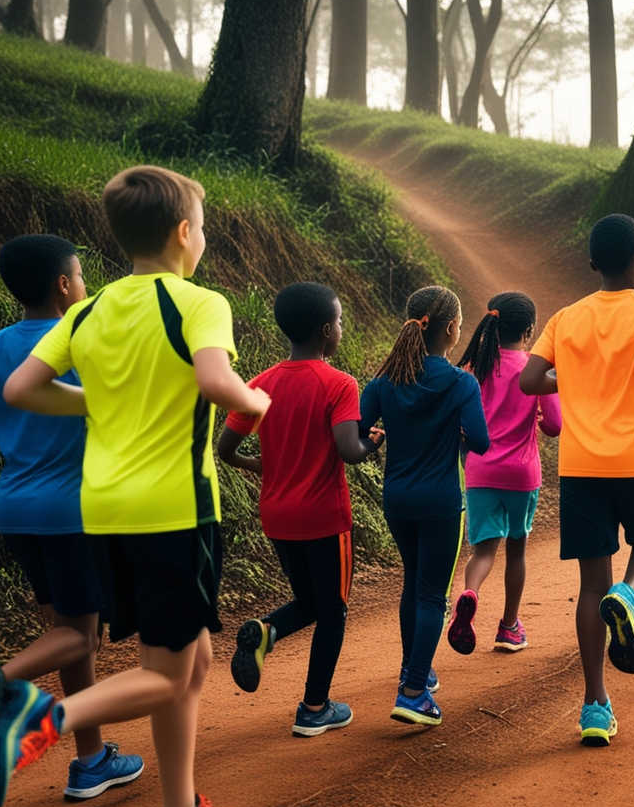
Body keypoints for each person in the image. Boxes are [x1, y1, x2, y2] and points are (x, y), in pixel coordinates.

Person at [0, 166, 268, 807]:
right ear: (183, 233)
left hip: (103, 509)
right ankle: (37, 718)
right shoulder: (198, 302)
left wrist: (97, 398)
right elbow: (217, 382)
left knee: (189, 661)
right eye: (200, 227)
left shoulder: (89, 308)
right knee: (171, 673)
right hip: (174, 509)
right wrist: (255, 400)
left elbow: (20, 389)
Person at [0, 235, 144, 802]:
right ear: (64, 286)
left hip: (16, 506)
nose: (85, 286)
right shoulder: (83, 342)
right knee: (80, 635)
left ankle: (90, 761)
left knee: (68, 636)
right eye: (82, 276)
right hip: (73, 510)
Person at [519, 214, 634, 746]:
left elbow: (529, 379)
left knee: (589, 586)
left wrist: (571, 374)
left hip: (582, 465)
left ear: (594, 263)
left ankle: (595, 704)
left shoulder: (567, 319)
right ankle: (629, 593)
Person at [217, 282, 380, 737]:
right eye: (341, 321)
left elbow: (226, 449)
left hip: (278, 516)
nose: (342, 328)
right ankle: (314, 707)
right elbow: (349, 450)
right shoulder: (339, 384)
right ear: (327, 330)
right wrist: (372, 441)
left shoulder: (261, 384)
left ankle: (265, 632)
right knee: (333, 611)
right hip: (325, 518)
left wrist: (261, 466)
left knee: (311, 601)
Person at [360, 285, 489, 727]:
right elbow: (482, 442)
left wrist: (377, 439)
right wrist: (454, 434)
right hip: (441, 501)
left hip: (396, 499)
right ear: (452, 328)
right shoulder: (460, 382)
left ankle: (414, 669)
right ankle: (413, 691)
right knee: (434, 593)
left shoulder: (384, 381)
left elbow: (358, 432)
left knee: (413, 583)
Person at [449, 292, 561, 655]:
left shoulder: (474, 369)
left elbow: (461, 425)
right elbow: (555, 426)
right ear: (529, 330)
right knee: (517, 551)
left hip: (480, 472)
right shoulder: (535, 368)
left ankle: (469, 595)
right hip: (522, 474)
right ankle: (509, 627)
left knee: (482, 552)